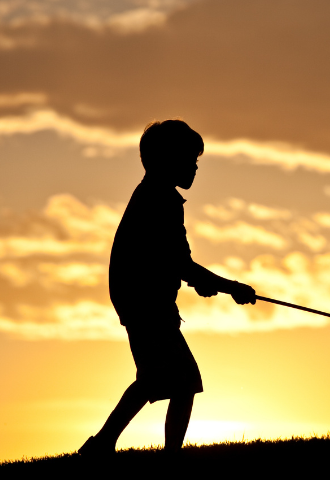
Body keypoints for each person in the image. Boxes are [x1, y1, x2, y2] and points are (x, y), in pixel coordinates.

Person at [79, 119, 256, 456]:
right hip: (145, 301)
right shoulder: (161, 200)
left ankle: (107, 445)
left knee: (162, 378)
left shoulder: (154, 195)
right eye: (189, 159)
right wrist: (229, 286)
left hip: (141, 299)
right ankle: (127, 448)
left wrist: (201, 282)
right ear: (166, 161)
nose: (194, 167)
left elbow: (171, 261)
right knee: (176, 377)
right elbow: (180, 263)